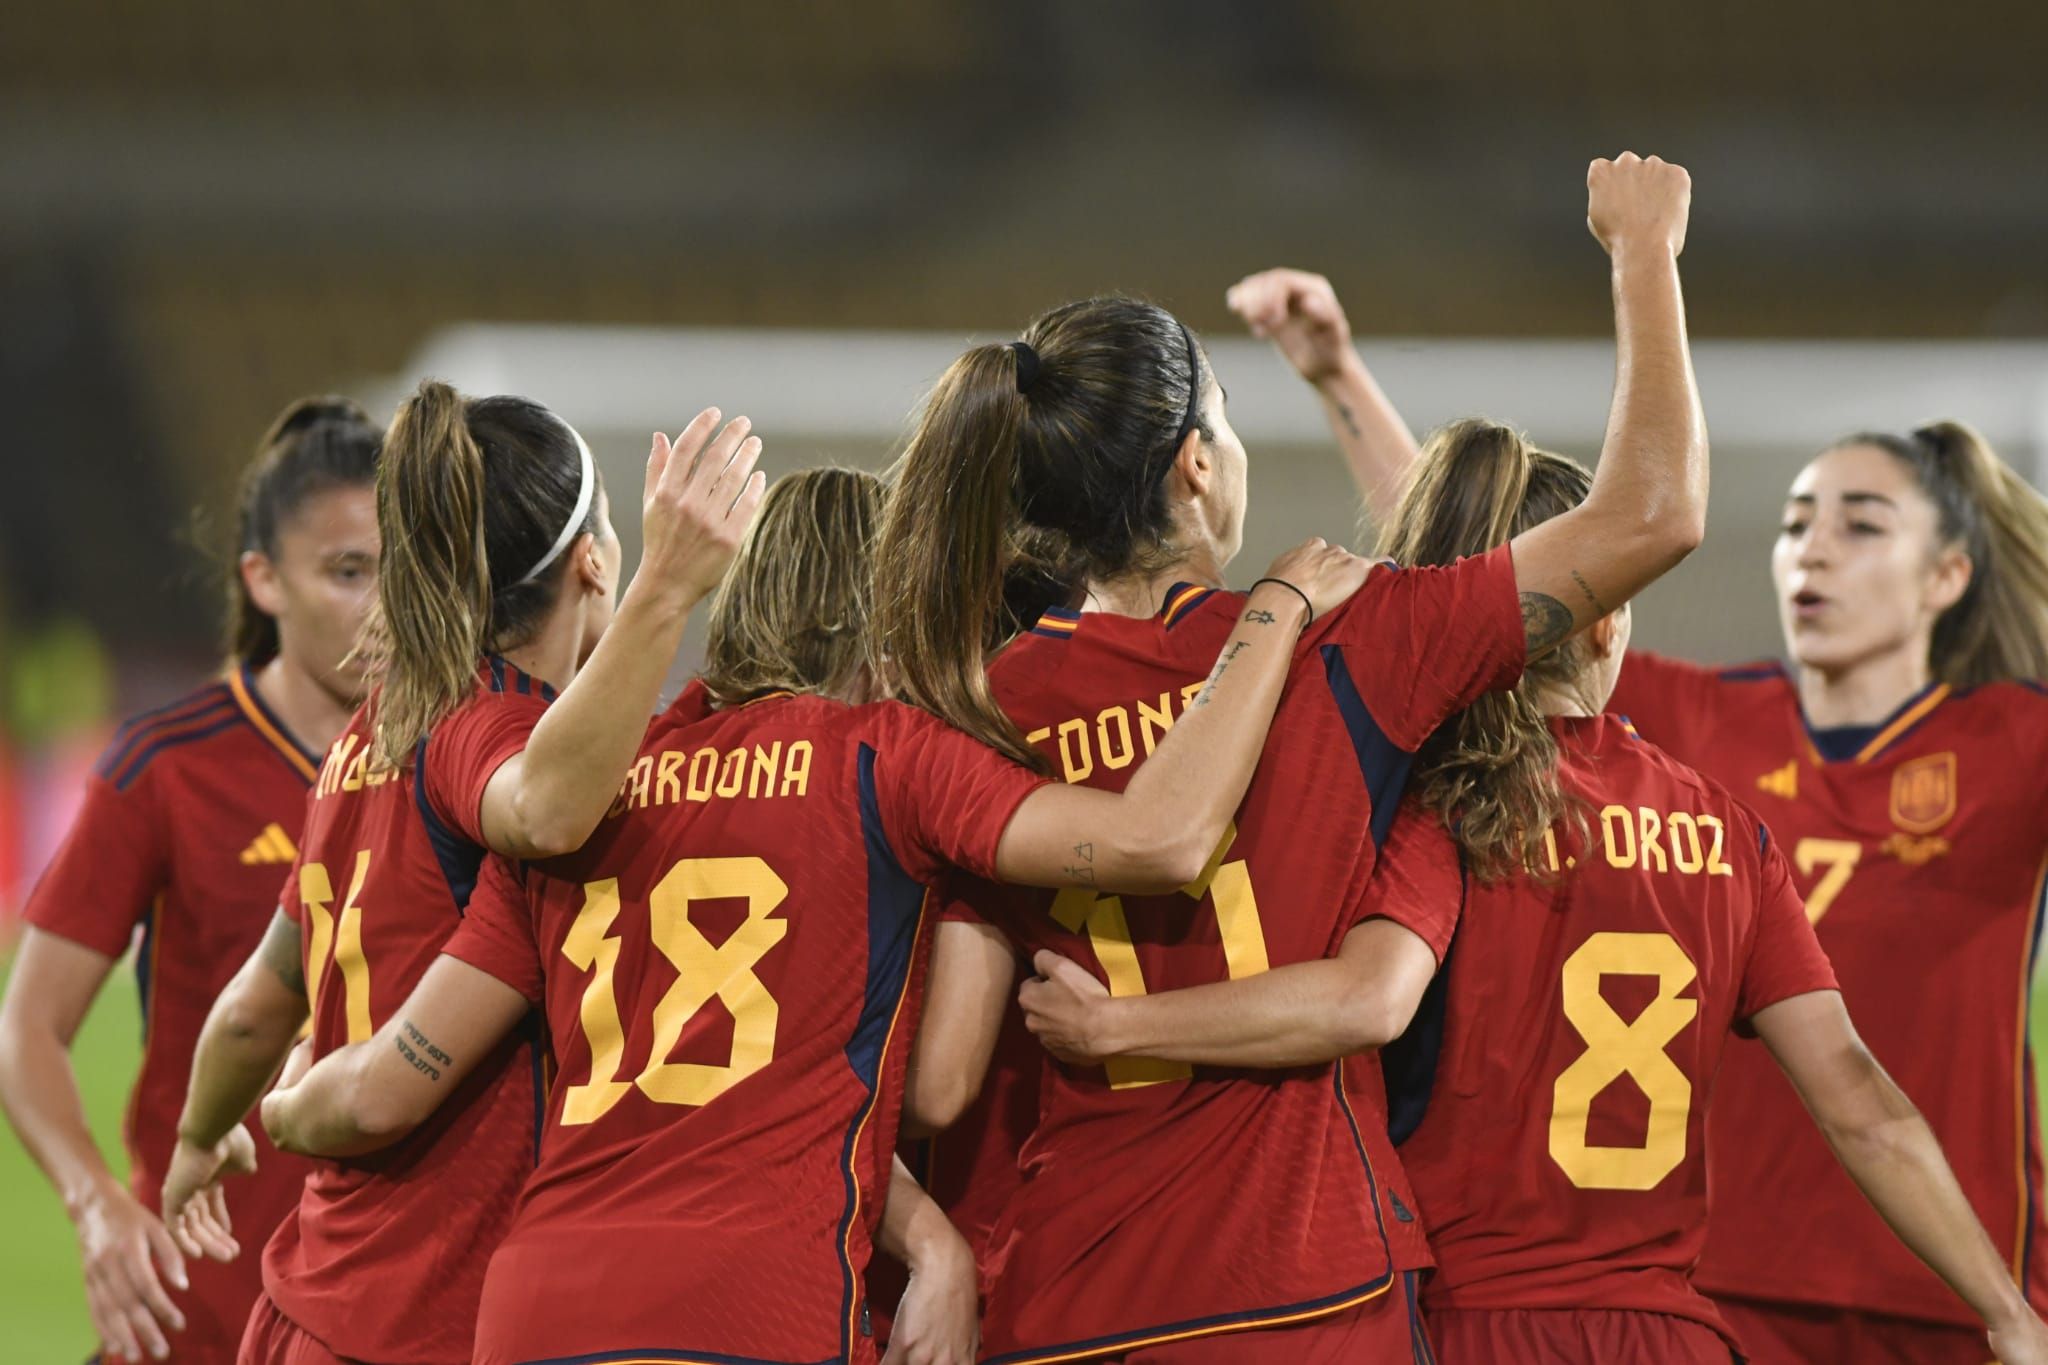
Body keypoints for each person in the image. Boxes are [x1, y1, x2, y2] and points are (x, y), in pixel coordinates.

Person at [242, 465, 1369, 1365]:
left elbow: (404, 1070)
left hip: (539, 1303)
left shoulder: (597, 784)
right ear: (888, 612)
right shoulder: (892, 765)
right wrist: (1270, 612)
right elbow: (1137, 855)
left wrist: (274, 1108)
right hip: (751, 1300)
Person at [885, 151, 1706, 1364]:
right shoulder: (1347, 648)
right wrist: (1644, 251)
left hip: (1071, 1295)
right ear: (1195, 466)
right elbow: (1652, 515)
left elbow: (943, 1083)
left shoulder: (972, 707)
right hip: (1304, 1290)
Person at [1019, 430, 2048, 1365]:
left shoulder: (1447, 808)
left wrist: (1118, 1024)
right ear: (1605, 632)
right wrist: (2004, 1311)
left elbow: (1366, 1000)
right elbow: (1859, 1101)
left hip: (1466, 1320)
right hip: (1667, 1333)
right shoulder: (1729, 835)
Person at [1231, 262, 2048, 1365]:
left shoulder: (2010, 738)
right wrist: (1338, 381)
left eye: (1859, 524)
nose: (1810, 544)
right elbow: (1490, 588)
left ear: (1949, 574)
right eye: (1796, 519)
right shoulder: (1704, 742)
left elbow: (1480, 587)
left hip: (1925, 1276)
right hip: (1715, 1293)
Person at [158, 385, 765, 1365]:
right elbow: (542, 807)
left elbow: (253, 1008)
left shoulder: (366, 735)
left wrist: (199, 1137)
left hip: (307, 1303)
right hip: (422, 1317)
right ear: (592, 563)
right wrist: (667, 592)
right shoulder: (485, 723)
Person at [0, 397, 381, 1364]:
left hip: (389, 1315)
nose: (381, 605)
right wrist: (93, 1206)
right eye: (346, 572)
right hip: (198, 1316)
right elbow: (28, 1026)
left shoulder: (469, 768)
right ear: (264, 579)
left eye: (399, 571)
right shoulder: (168, 767)